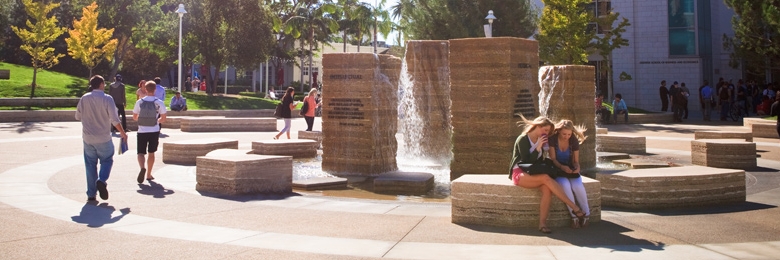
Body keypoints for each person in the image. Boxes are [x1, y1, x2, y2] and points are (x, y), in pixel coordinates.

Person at [508, 116, 587, 234]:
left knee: (547, 189)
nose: (547, 133)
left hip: (534, 172)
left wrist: (545, 148)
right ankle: (575, 208)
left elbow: (541, 161)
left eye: (548, 131)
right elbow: (526, 160)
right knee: (546, 178)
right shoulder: (523, 139)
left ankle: (542, 224)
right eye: (545, 130)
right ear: (538, 126)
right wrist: (538, 146)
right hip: (519, 172)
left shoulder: (542, 139)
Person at [75, 75, 127, 201]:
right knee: (107, 160)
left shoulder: (84, 98)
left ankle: (91, 194)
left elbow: (77, 116)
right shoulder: (107, 99)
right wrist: (122, 132)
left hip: (88, 138)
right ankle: (102, 180)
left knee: (90, 165)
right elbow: (114, 119)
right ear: (101, 84)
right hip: (103, 137)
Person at [548, 119, 590, 228]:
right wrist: (562, 167)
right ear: (558, 131)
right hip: (557, 169)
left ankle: (586, 214)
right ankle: (574, 216)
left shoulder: (573, 140)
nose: (566, 136)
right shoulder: (552, 139)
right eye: (564, 134)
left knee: (577, 186)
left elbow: (576, 161)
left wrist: (577, 167)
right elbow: (553, 159)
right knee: (565, 185)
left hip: (570, 170)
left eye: (569, 134)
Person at [132, 81, 167, 183]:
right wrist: (156, 121)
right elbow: (163, 118)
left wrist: (142, 119)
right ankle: (148, 174)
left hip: (142, 130)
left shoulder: (139, 102)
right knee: (151, 152)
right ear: (155, 89)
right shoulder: (159, 102)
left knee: (140, 153)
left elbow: (134, 117)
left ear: (145, 89)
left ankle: (142, 167)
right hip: (154, 130)